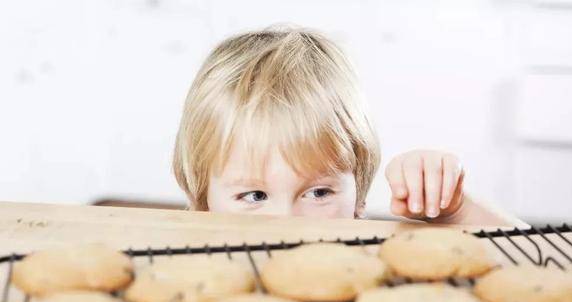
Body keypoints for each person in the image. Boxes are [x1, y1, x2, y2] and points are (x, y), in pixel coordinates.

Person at [173, 27, 510, 225]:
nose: (288, 224)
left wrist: (456, 212)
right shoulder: (186, 271)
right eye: (255, 195)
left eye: (319, 193)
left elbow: (535, 260)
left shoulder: (368, 261)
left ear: (358, 193)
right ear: (203, 200)